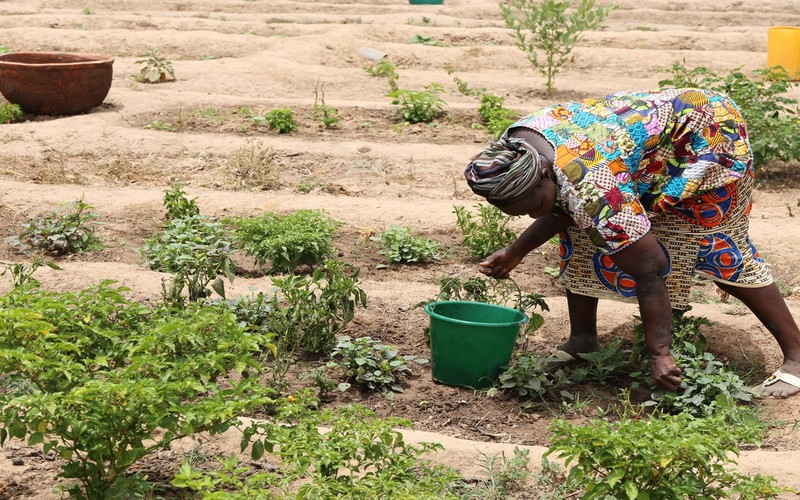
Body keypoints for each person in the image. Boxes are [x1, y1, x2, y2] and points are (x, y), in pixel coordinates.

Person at [464, 88, 800, 397]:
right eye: (521, 214)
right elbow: (562, 209)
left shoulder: (589, 181)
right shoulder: (510, 152)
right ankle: (582, 341)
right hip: (640, 151)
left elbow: (648, 267)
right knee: (581, 233)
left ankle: (797, 358)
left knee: (716, 245)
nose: (533, 217)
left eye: (535, 207)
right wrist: (515, 251)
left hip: (706, 137)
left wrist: (659, 353)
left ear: (546, 175)